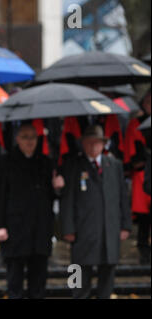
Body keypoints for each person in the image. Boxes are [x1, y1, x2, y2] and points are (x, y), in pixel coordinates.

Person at [0, 123, 65, 299]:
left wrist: (58, 188)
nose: (29, 141)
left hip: (40, 230)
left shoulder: (46, 163)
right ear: (17, 139)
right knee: (14, 282)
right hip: (15, 230)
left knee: (38, 283)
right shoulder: (4, 162)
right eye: (25, 137)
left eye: (33, 137)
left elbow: (52, 196)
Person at [60, 125, 132, 299]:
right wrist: (67, 228)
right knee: (77, 275)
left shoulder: (114, 165)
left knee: (107, 277)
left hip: (109, 228)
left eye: (97, 143)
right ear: (83, 144)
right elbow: (67, 199)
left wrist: (126, 225)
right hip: (82, 230)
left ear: (103, 144)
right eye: (89, 143)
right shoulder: (73, 165)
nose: (93, 147)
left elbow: (123, 196)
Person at [124, 89, 151, 264]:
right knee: (143, 218)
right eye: (148, 102)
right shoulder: (136, 124)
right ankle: (144, 251)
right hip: (141, 176)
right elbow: (132, 154)